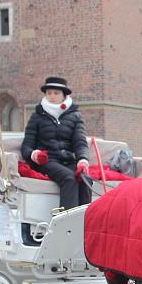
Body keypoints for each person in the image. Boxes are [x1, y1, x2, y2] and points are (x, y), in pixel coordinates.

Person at [21, 77, 91, 209]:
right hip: (47, 161)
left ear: (64, 95)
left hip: (69, 161)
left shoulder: (75, 116)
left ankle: (85, 221)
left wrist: (82, 160)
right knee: (69, 178)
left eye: (56, 93)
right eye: (49, 93)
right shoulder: (37, 116)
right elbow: (26, 146)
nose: (52, 96)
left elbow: (80, 142)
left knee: (85, 179)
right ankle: (65, 225)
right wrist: (34, 154)